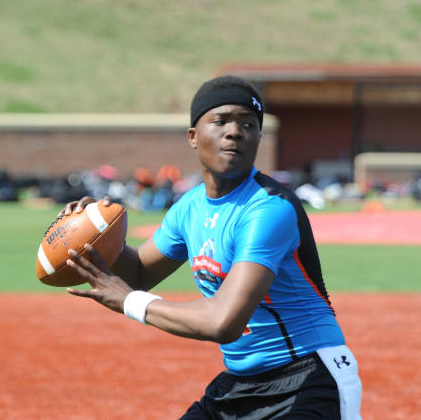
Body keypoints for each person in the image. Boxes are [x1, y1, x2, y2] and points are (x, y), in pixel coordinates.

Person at [59, 76, 362, 419]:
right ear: (193, 136)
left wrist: (130, 301)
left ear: (258, 138)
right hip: (241, 384)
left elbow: (223, 322)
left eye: (248, 124)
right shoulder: (189, 207)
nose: (234, 132)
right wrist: (94, 232)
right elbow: (139, 272)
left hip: (308, 381)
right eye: (220, 121)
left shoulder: (269, 208)